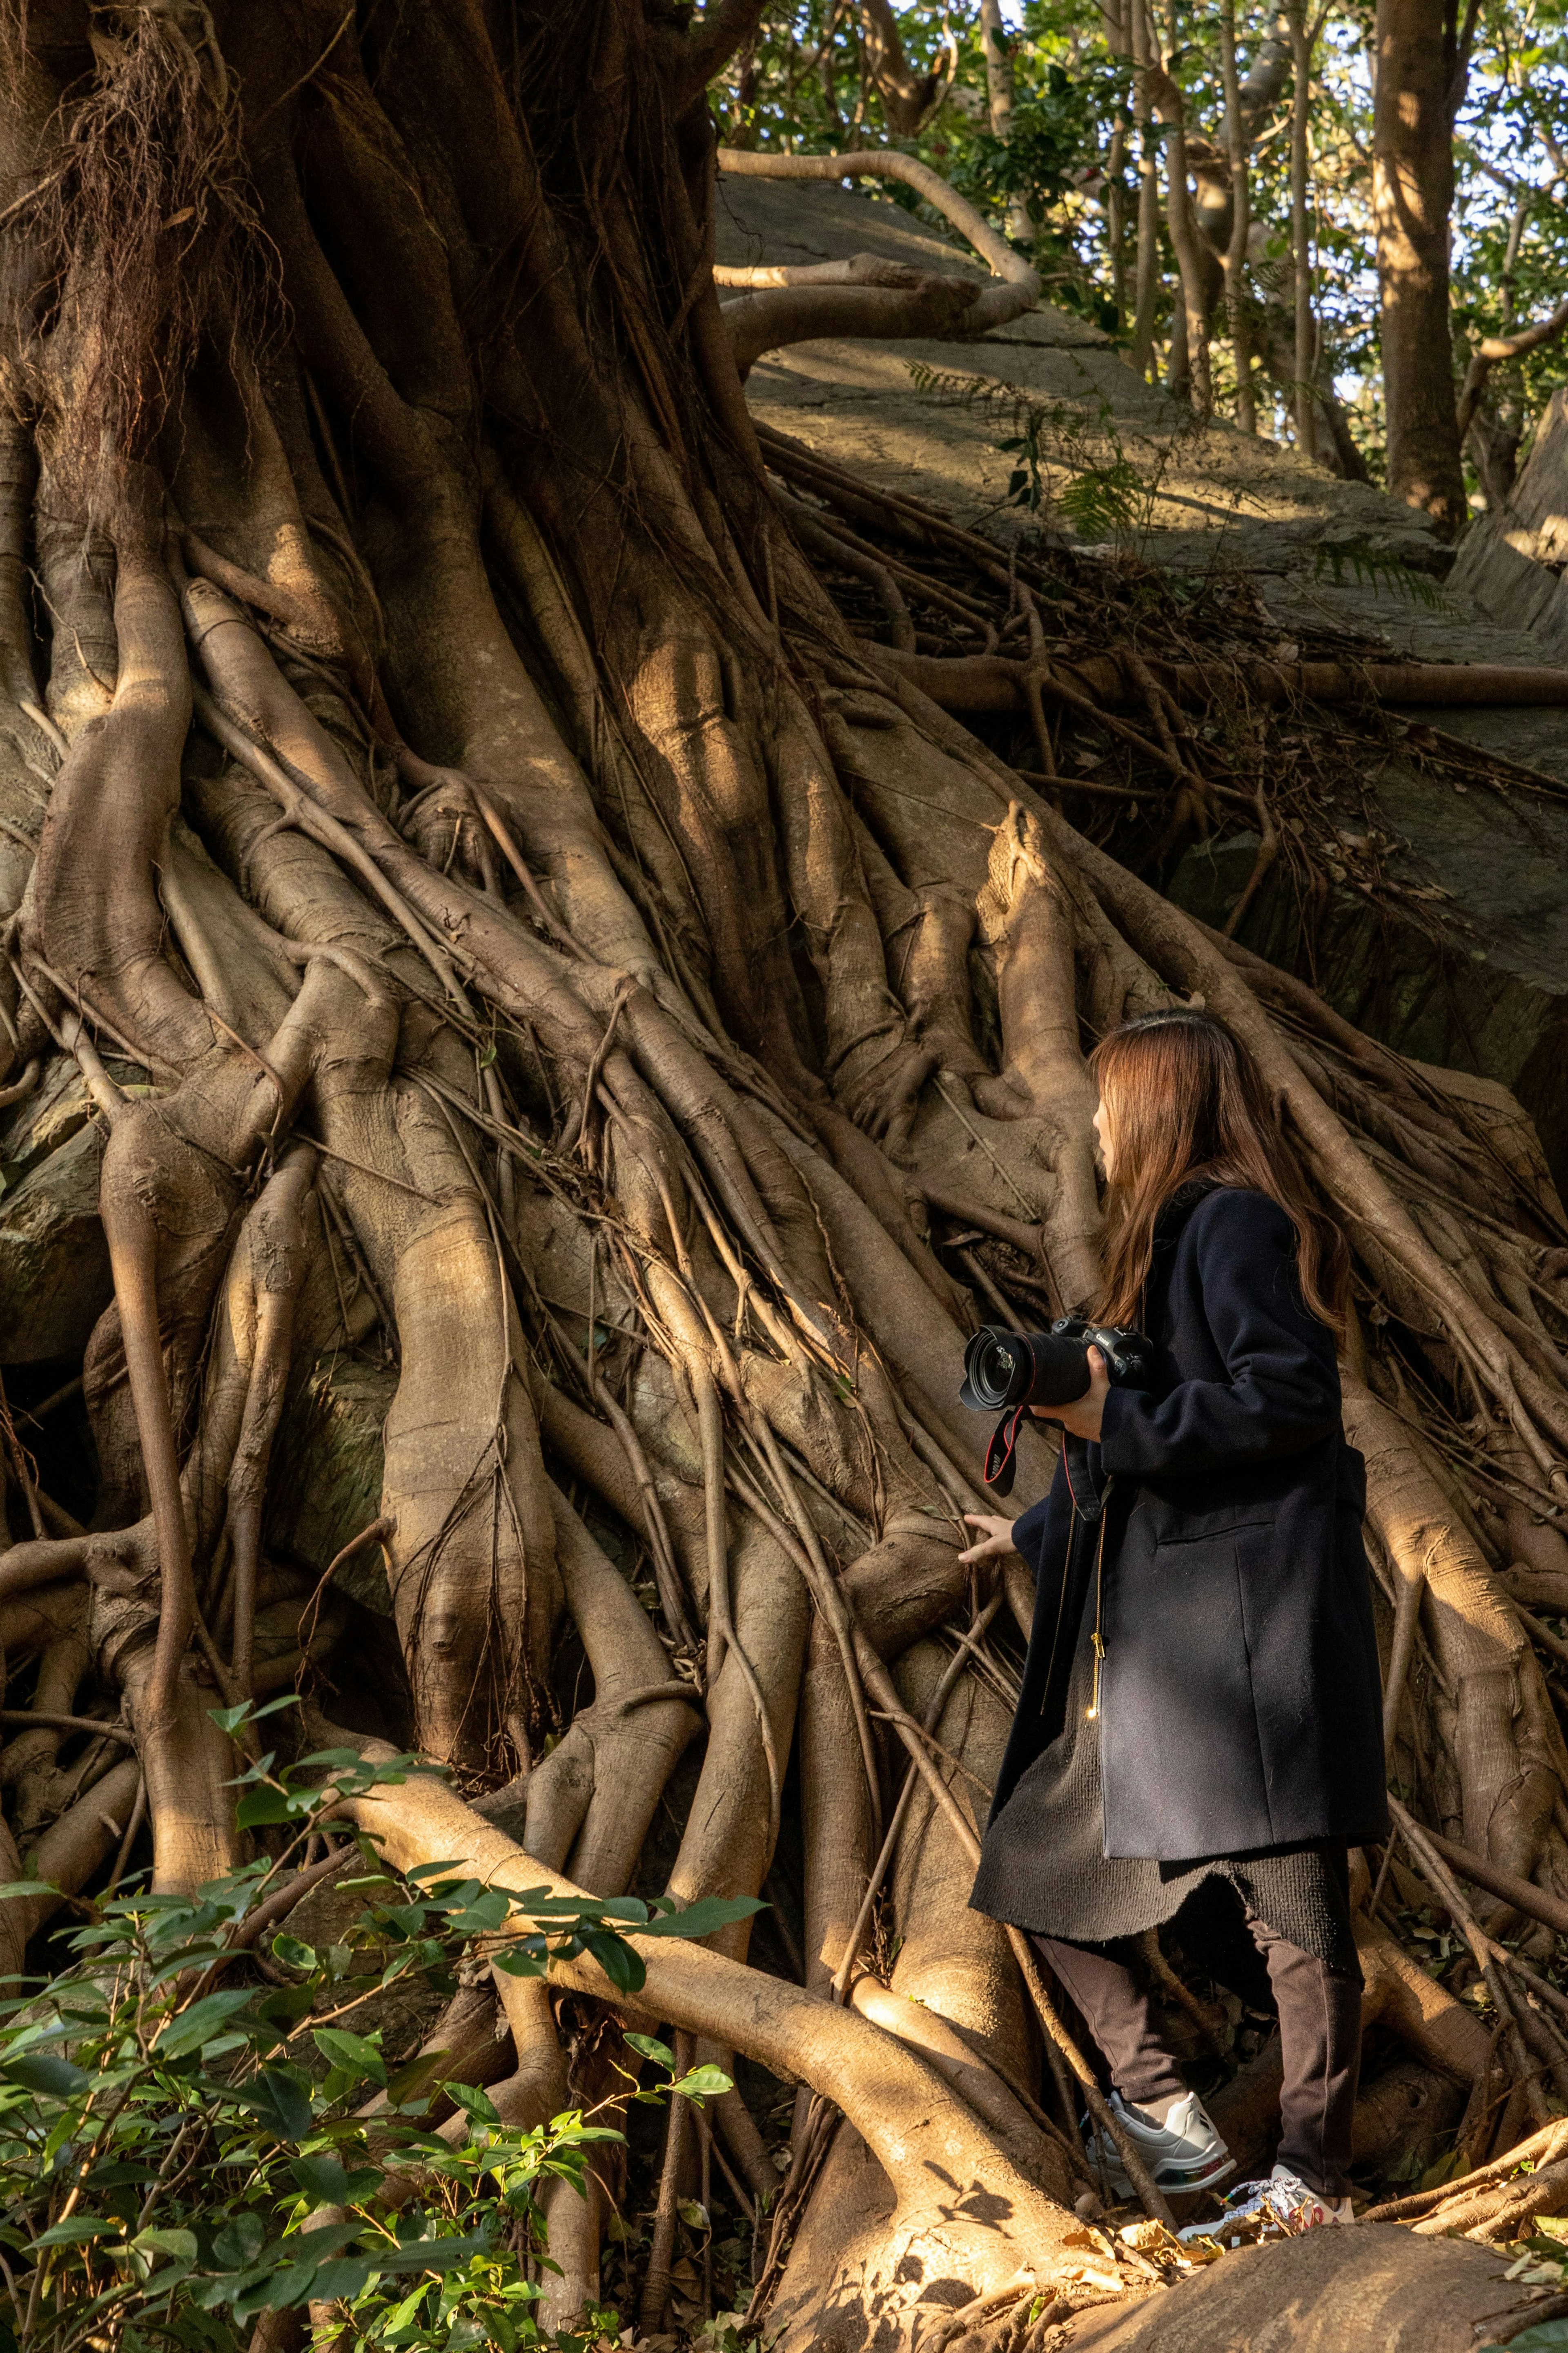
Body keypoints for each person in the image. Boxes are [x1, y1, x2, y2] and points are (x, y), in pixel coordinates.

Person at [962, 1007, 1387, 2228]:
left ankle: (1315, 2178)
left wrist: (1119, 1423)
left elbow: (1290, 1395)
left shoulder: (1240, 1221)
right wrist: (1029, 1534)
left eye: (1106, 1101)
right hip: (1169, 1648)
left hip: (1247, 1643)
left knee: (1293, 1912)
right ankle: (1186, 2146)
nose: (1094, 1124)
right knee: (1038, 1861)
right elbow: (1139, 1434)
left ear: (1156, 1104)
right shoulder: (1171, 1244)